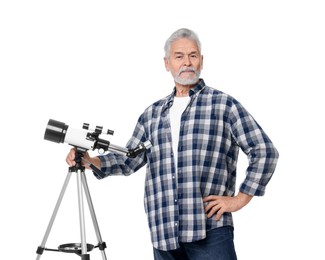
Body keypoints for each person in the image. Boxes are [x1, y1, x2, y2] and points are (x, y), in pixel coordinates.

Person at [66, 28, 279, 260]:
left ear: (202, 61)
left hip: (210, 230)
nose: (187, 62)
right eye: (179, 56)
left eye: (193, 55)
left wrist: (240, 199)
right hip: (163, 232)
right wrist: (88, 160)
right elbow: (129, 160)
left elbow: (265, 151)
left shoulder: (223, 106)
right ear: (167, 63)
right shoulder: (152, 114)